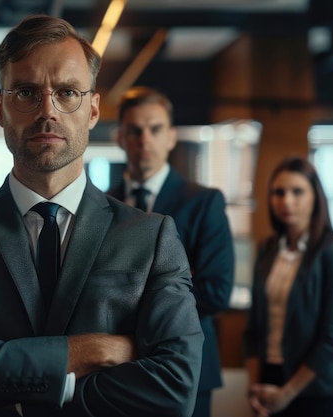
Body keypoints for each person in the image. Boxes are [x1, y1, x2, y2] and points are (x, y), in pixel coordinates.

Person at [0, 14, 204, 417]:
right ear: (0, 108)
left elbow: (176, 387)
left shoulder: (151, 237)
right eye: (26, 92)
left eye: (67, 92)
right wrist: (90, 350)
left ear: (93, 110)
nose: (48, 110)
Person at [108, 86, 235, 417]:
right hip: (117, 368)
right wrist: (173, 283)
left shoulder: (204, 202)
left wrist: (131, 292)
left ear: (172, 137)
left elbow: (216, 292)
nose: (144, 140)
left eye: (155, 129)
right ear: (120, 137)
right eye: (135, 130)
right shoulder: (102, 204)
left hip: (187, 365)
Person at [243, 156, 333, 417]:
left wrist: (288, 394)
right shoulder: (267, 249)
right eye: (278, 192)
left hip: (317, 388)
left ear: (315, 196)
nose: (286, 201)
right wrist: (254, 386)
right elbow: (253, 329)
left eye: (297, 192)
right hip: (269, 378)